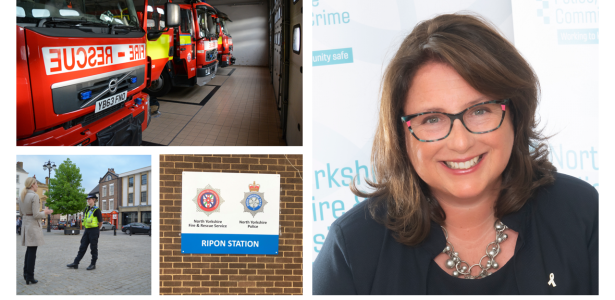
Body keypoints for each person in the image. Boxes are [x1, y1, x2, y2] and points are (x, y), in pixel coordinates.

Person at [312, 13, 598, 295]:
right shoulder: (353, 247)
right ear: (401, 134)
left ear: (516, 114)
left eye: (480, 111)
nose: (461, 143)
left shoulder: (582, 212)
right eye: (432, 119)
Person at [18, 177, 54, 285]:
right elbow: (36, 215)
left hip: (26, 224)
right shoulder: (34, 195)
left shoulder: (21, 196)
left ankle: (26, 274)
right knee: (32, 252)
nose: (37, 185)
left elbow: (20, 213)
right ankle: (30, 276)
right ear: (33, 184)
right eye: (36, 184)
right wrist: (45, 212)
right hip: (33, 225)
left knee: (29, 251)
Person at [67, 194, 102, 270]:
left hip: (94, 230)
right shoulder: (86, 209)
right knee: (82, 246)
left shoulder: (97, 210)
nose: (88, 200)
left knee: (93, 248)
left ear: (94, 200)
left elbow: (100, 222)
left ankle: (93, 264)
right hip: (87, 230)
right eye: (88, 199)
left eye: (89, 199)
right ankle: (76, 263)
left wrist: (97, 229)